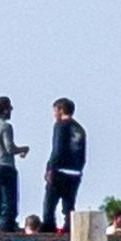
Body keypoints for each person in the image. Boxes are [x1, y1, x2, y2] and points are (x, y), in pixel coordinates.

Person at [0, 96, 29, 233]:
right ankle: (5, 238)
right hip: (5, 165)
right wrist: (23, 149)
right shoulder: (6, 126)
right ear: (4, 110)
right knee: (9, 205)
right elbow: (9, 148)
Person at [42, 97, 87, 232]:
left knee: (49, 206)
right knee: (69, 207)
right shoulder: (80, 128)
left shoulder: (61, 125)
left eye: (55, 111)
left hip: (60, 171)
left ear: (61, 110)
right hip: (75, 172)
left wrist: (50, 168)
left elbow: (58, 149)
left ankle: (48, 236)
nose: (54, 114)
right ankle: (68, 235)